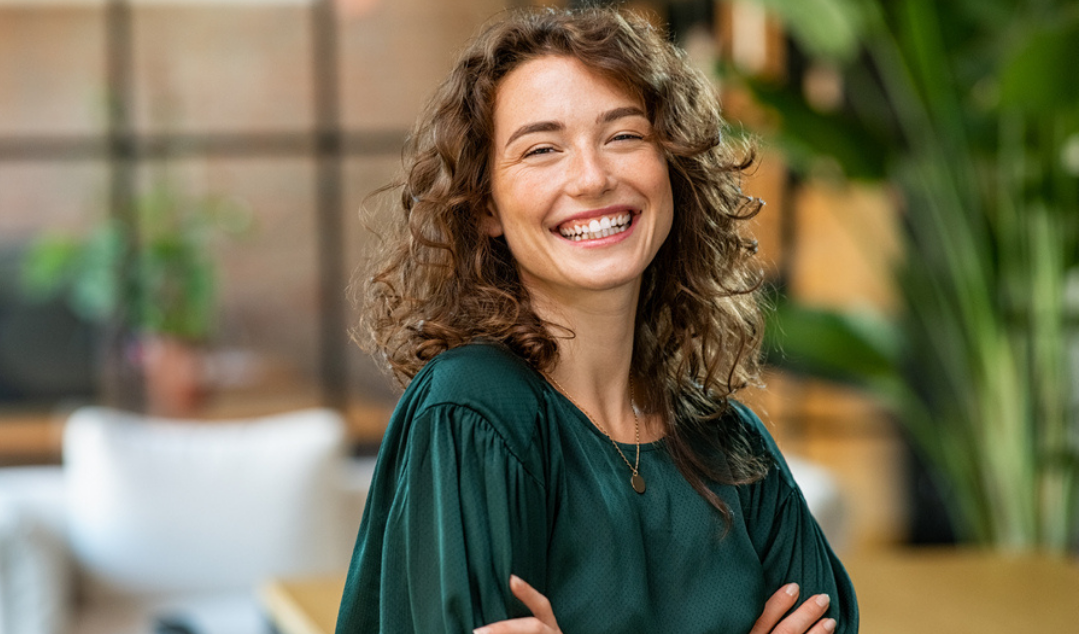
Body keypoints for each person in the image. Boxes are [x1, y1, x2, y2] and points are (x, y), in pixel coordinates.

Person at [337, 7, 858, 634]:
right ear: (484, 207)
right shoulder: (472, 412)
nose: (591, 177)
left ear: (673, 169)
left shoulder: (731, 444)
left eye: (624, 136)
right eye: (542, 149)